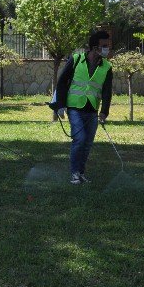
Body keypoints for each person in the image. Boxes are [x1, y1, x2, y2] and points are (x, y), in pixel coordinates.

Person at [53, 30, 113, 185]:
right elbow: (61, 82)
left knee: (87, 144)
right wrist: (60, 105)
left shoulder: (107, 67)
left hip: (92, 110)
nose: (108, 48)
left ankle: (81, 173)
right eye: (104, 45)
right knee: (79, 139)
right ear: (95, 47)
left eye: (108, 45)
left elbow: (107, 91)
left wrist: (104, 112)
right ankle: (74, 174)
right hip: (75, 108)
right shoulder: (76, 59)